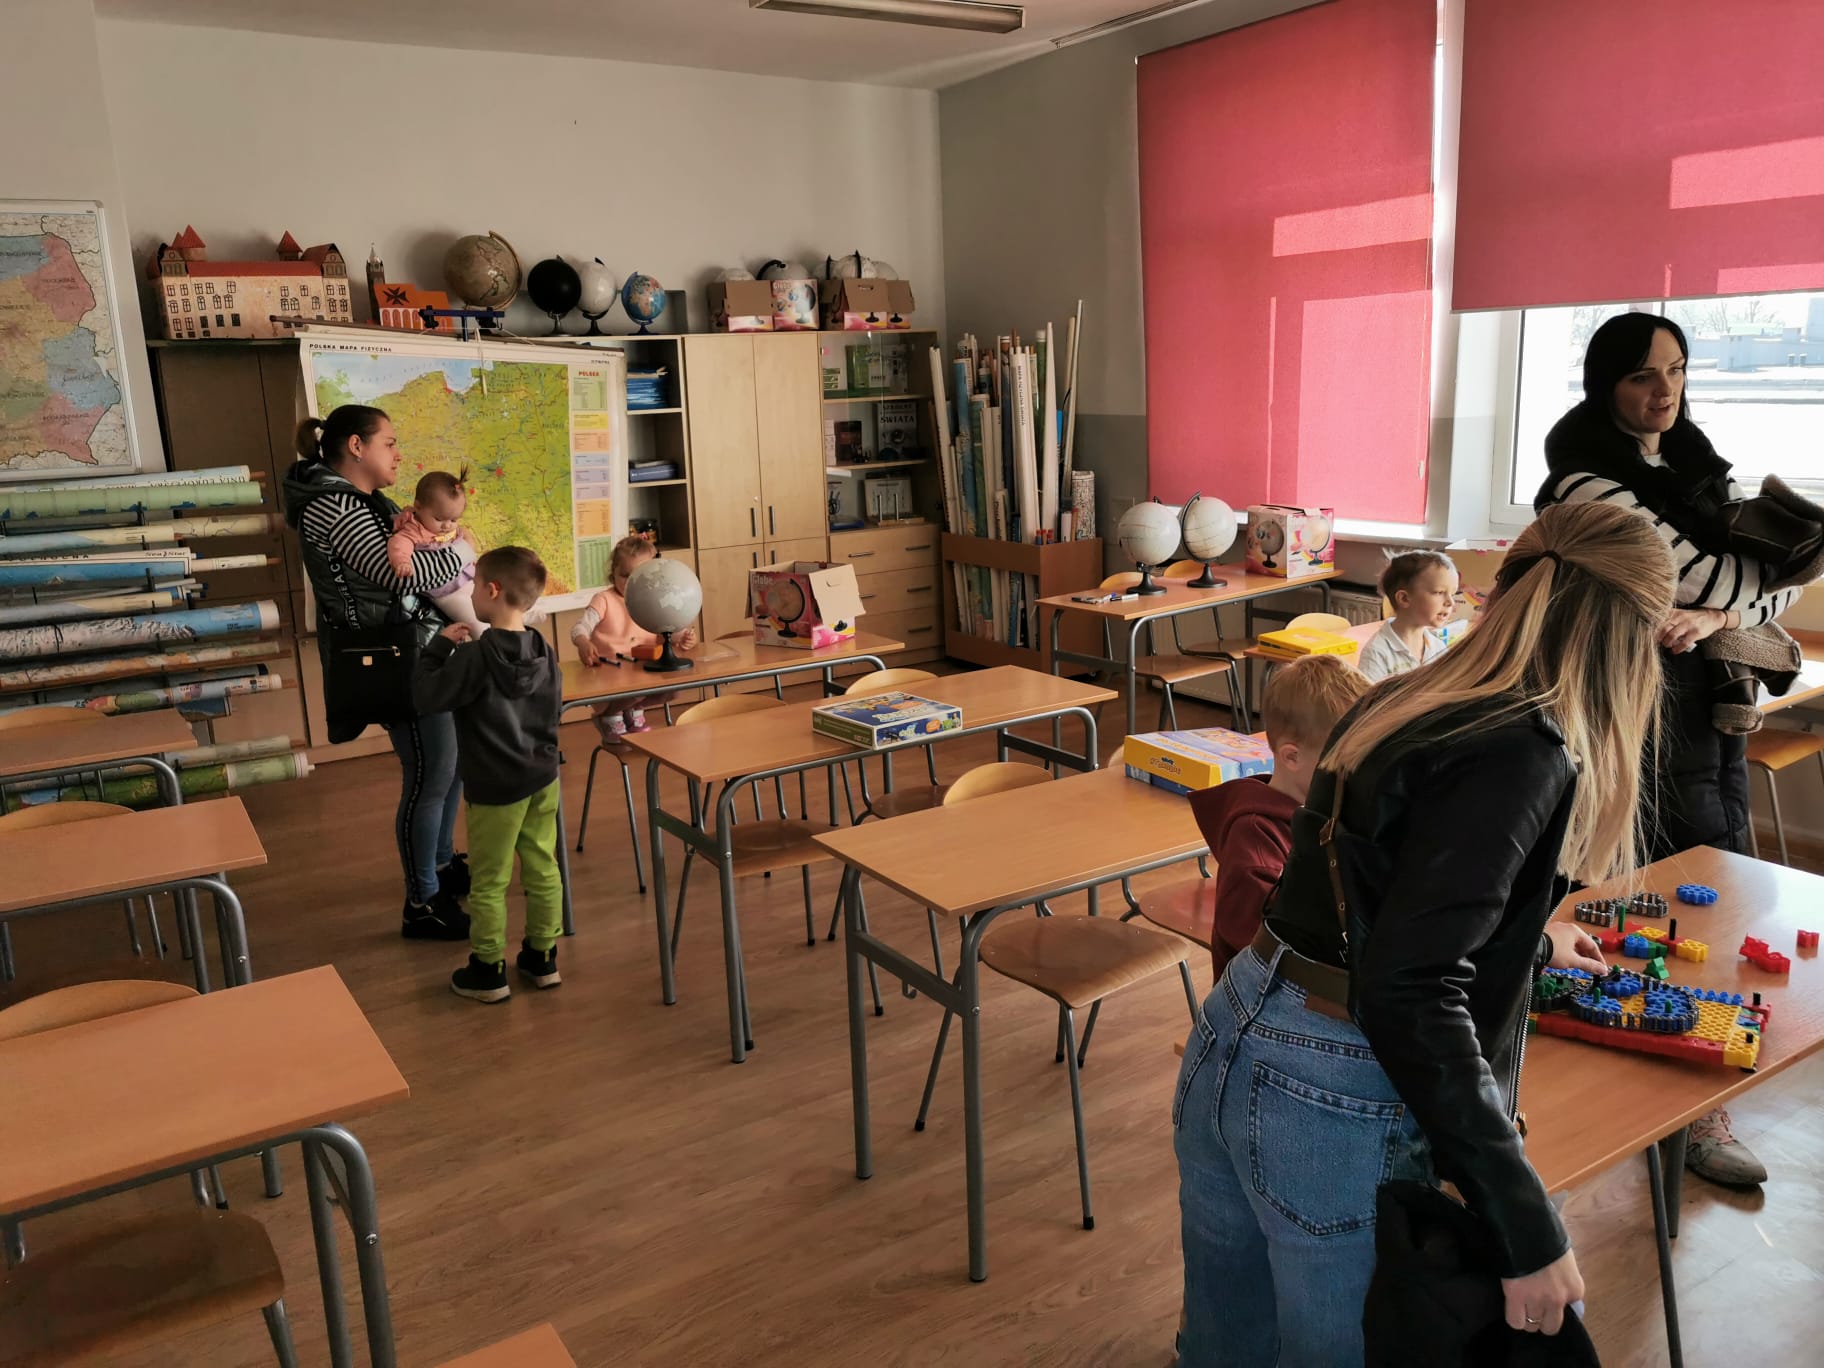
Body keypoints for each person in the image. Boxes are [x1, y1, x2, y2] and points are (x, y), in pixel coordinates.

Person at [1173, 500, 1674, 1367]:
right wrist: (1524, 1224)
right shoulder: (1523, 744)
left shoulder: (1404, 695)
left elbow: (1377, 896)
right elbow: (1409, 988)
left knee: (1225, 1342)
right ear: (1631, 638)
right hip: (1329, 1081)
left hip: (1240, 1020)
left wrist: (1528, 941)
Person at [1536, 311, 1805, 1187]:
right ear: (1605, 383)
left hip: (1707, 714)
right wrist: (1742, 593)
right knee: (1630, 898)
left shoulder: (1694, 466)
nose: (1666, 391)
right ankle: (1633, 1089)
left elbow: (1784, 587)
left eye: (1678, 370)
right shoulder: (1586, 480)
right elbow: (1734, 571)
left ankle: (1693, 1092)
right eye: (1643, 375)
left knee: (1712, 886)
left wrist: (1721, 616)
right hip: (1631, 709)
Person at [285, 406, 477, 940]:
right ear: (356, 446)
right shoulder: (334, 506)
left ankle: (441, 865)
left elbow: (420, 562)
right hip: (396, 660)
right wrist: (464, 550)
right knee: (430, 773)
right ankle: (422, 901)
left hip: (422, 650)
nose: (397, 454)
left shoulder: (368, 503)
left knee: (449, 766)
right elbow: (403, 575)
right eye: (389, 442)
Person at [412, 546, 564, 1003]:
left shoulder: (475, 657)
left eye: (474, 585)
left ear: (492, 591)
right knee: (543, 867)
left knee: (490, 881)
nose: (471, 592)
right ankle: (542, 957)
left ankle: (488, 968)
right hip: (543, 777)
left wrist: (438, 648)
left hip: (495, 786)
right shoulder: (543, 649)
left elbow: (427, 696)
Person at [1188, 655, 1371, 977]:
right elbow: (1274, 958)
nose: (1361, 774)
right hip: (1267, 998)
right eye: (1347, 763)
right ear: (1292, 757)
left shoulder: (1333, 809)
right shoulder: (1255, 845)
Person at [571, 535, 696, 737]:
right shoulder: (604, 599)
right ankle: (609, 714)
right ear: (613, 573)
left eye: (638, 575)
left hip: (641, 669)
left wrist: (682, 637)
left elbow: (666, 631)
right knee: (637, 691)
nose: (630, 582)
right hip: (610, 671)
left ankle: (631, 710)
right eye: (625, 575)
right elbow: (579, 628)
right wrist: (583, 642)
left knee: (673, 691)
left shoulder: (652, 598)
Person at [388, 469, 482, 631]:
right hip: (447, 592)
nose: (447, 525)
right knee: (475, 622)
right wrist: (402, 562)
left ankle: (528, 613)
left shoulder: (444, 525)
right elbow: (399, 543)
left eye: (454, 519)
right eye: (439, 519)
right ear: (418, 506)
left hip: (467, 576)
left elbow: (460, 536)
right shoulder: (414, 529)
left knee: (498, 602)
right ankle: (488, 641)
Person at [1358, 550, 1458, 682]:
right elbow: (1368, 695)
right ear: (1404, 598)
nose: (1450, 602)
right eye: (1439, 592)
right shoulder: (1376, 653)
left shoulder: (1438, 647)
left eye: (1453, 594)